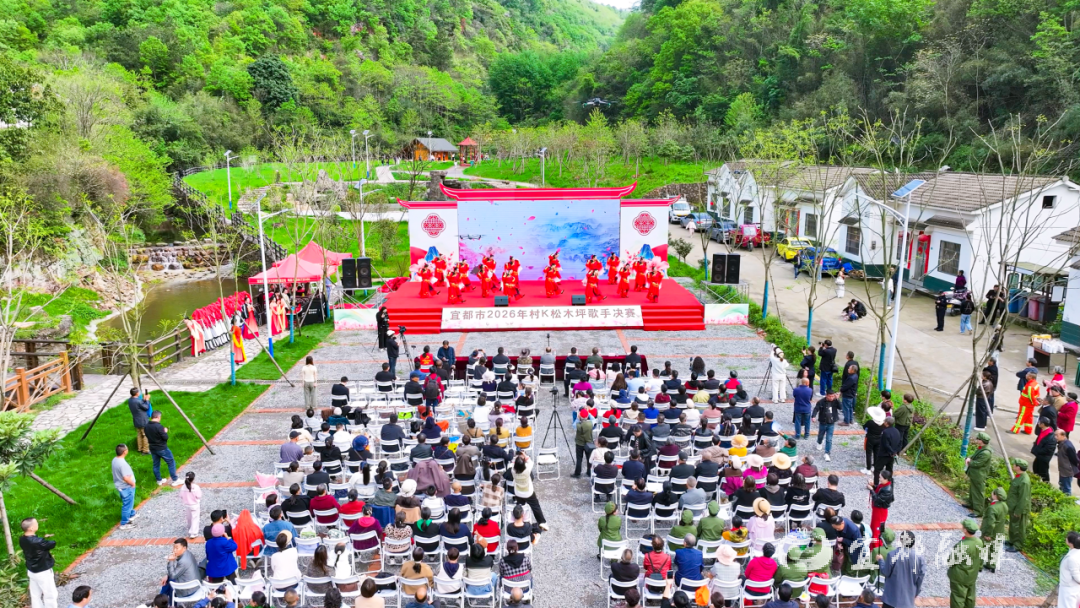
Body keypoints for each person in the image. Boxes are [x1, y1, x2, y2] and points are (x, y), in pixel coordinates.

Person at [21, 518, 57, 608]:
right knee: (50, 594)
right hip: (43, 571)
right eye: (36, 523)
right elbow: (52, 544)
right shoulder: (38, 542)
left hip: (32, 570)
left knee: (35, 595)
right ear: (31, 528)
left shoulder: (22, 539)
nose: (37, 524)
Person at [947, 519, 983, 608]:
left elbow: (951, 561)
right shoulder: (979, 542)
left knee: (958, 597)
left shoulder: (962, 545)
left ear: (965, 530)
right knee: (970, 596)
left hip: (959, 576)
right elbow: (981, 558)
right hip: (972, 574)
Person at [511, 453, 548, 531]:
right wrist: (524, 455)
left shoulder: (513, 471)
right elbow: (530, 462)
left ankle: (520, 521)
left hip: (518, 492)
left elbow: (513, 463)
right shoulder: (527, 470)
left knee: (521, 506)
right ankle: (542, 522)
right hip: (528, 493)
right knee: (535, 506)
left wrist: (517, 458)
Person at [963, 432, 992, 517]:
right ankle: (972, 504)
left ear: (981, 441)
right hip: (975, 474)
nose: (976, 440)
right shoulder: (982, 448)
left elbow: (978, 463)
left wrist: (969, 461)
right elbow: (975, 455)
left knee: (978, 493)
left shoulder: (986, 452)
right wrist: (969, 457)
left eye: (978, 439)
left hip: (979, 475)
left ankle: (978, 511)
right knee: (973, 490)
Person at [1006, 458, 1032, 552]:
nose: (1013, 465)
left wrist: (1018, 511)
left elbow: (1023, 498)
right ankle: (1012, 540)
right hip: (1014, 506)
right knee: (1013, 525)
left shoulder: (1024, 481)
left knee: (1019, 527)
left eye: (1015, 464)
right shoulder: (1019, 476)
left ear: (1018, 467)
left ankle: (1018, 545)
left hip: (1019, 508)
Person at [981, 487, 1008, 573]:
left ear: (995, 495)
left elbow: (990, 523)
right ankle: (992, 565)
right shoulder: (1004, 505)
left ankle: (979, 566)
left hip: (991, 532)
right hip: (999, 531)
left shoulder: (992, 508)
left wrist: (987, 534)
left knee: (983, 547)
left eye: (993, 493)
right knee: (994, 549)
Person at [111, 444, 138, 529]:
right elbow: (126, 478)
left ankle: (131, 514)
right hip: (126, 487)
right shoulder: (122, 464)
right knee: (127, 505)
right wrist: (132, 484)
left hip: (120, 486)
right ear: (125, 452)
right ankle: (124, 523)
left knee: (128, 502)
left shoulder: (115, 460)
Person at [811, 390, 841, 462]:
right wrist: (813, 416)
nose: (831, 398)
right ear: (826, 395)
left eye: (832, 396)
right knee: (820, 435)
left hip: (831, 423)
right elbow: (816, 409)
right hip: (823, 422)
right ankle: (819, 442)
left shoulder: (835, 401)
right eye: (830, 396)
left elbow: (841, 407)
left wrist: (837, 399)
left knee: (829, 439)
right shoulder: (821, 402)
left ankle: (827, 453)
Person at [868, 470, 894, 548]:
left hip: (880, 512)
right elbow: (879, 491)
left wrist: (871, 490)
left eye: (880, 477)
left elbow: (877, 499)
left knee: (876, 531)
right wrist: (873, 486)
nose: (879, 479)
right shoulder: (884, 485)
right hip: (878, 511)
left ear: (886, 479)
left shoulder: (887, 490)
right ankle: (874, 546)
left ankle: (876, 548)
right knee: (875, 528)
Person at [177, 471, 202, 538]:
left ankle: (190, 528)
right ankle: (193, 533)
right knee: (195, 518)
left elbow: (181, 496)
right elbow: (199, 496)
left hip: (187, 505)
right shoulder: (196, 487)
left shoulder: (183, 487)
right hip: (195, 505)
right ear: (193, 479)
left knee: (189, 518)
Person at [127, 387, 152, 455]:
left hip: (136, 420)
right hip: (143, 420)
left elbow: (139, 404)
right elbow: (146, 407)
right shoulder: (138, 401)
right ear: (137, 393)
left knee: (139, 434)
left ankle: (140, 448)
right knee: (145, 435)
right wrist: (147, 400)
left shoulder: (130, 400)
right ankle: (146, 450)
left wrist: (144, 399)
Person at [1032, 417, 1057, 482]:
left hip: (1043, 457)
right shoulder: (1043, 430)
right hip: (1039, 455)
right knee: (1035, 468)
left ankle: (1046, 483)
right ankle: (1036, 481)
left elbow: (1048, 449)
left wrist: (1037, 450)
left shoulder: (1051, 436)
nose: (1038, 423)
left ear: (1043, 424)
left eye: (1039, 422)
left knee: (1043, 472)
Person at [1059, 532, 1080, 608]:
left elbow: (1077, 576)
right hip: (1071, 587)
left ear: (1070, 542)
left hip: (1070, 589)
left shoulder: (1072, 558)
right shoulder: (1075, 552)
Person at [1057, 429, 1079, 495]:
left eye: (1057, 435)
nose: (1055, 437)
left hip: (1067, 471)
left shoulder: (1068, 446)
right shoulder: (1061, 443)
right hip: (1063, 470)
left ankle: (1067, 500)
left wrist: (1069, 467)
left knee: (1066, 489)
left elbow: (1075, 460)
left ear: (1063, 435)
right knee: (1062, 485)